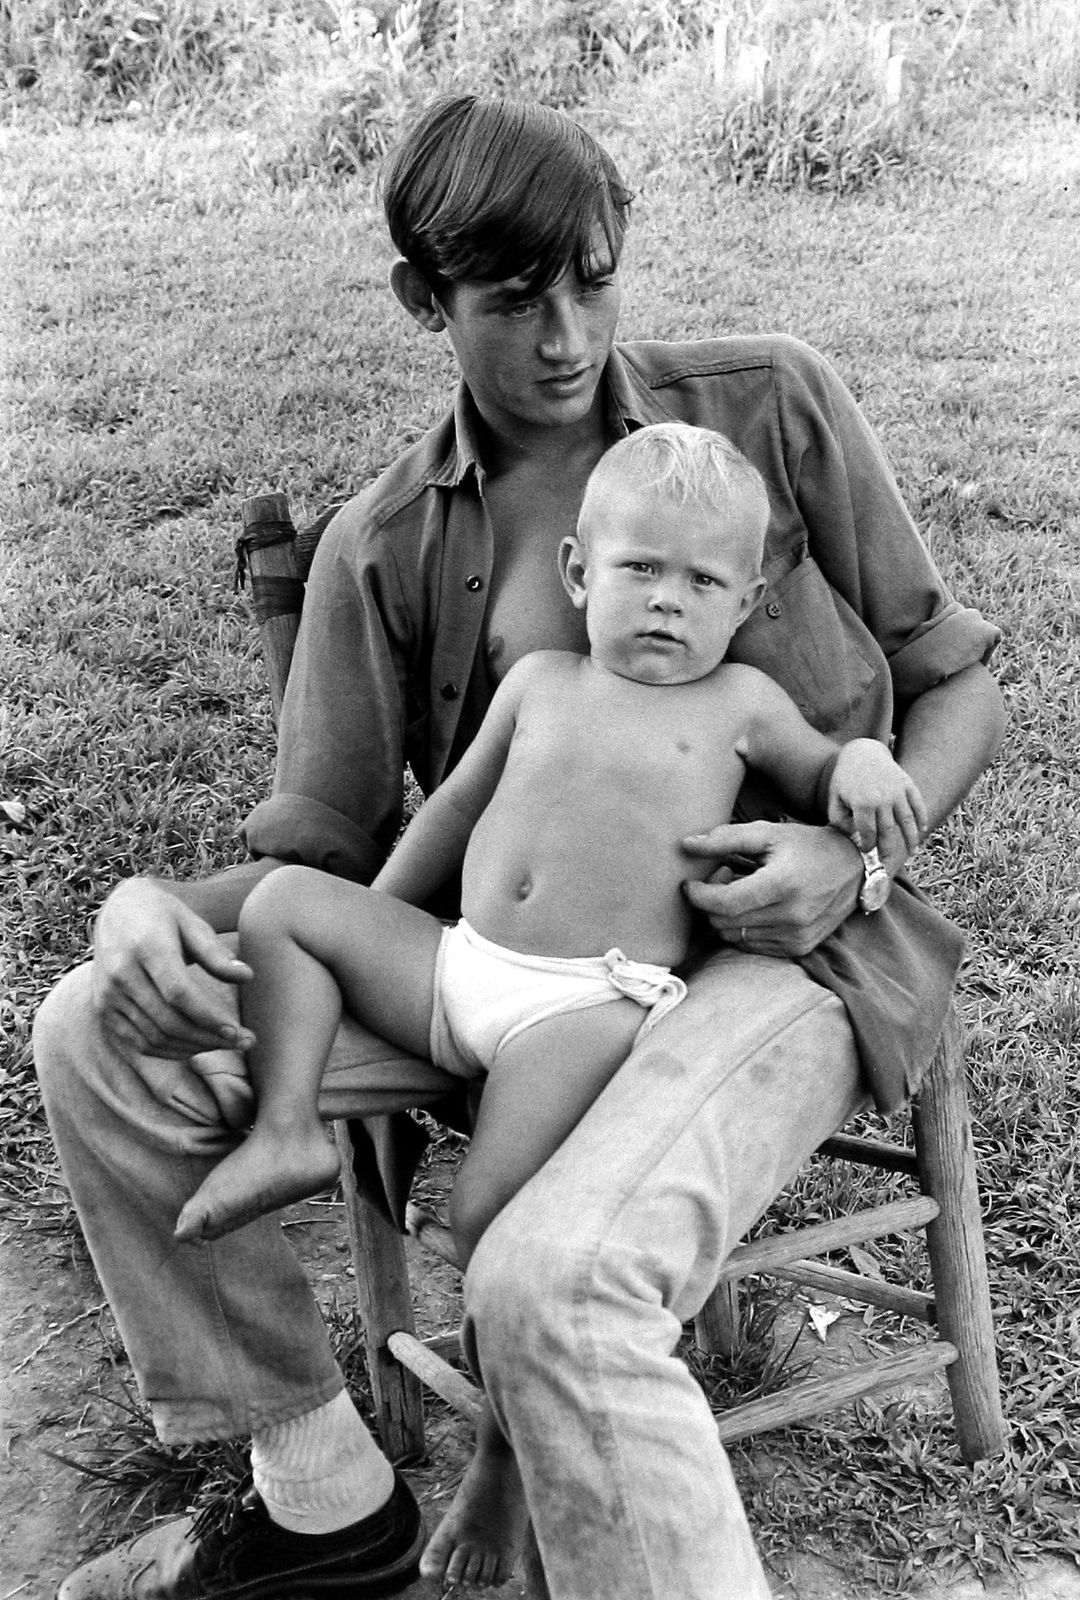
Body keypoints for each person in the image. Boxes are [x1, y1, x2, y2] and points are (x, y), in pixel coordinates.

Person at [33, 94, 1003, 1600]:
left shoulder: (765, 407)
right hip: (491, 965)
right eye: (511, 300)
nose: (566, 335)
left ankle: (523, 1452)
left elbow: (957, 682)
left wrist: (860, 861)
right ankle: (323, 1499)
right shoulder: (383, 543)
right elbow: (342, 866)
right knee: (96, 1023)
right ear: (426, 299)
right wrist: (138, 904)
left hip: (783, 953)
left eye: (595, 281)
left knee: (554, 1274)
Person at [171, 422, 929, 1585]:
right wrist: (372, 919)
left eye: (703, 581)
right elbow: (452, 813)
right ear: (580, 573)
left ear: (747, 600)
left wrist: (869, 768)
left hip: (582, 1007)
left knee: (490, 1225)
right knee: (283, 906)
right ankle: (286, 1131)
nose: (668, 602)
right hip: (461, 960)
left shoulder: (742, 702)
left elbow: (830, 774)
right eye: (640, 570)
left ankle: (503, 1465)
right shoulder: (537, 681)